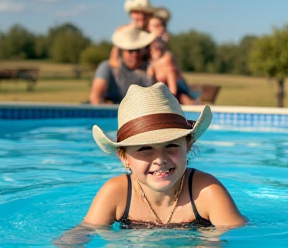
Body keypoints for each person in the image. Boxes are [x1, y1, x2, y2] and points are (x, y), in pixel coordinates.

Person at [85, 82, 246, 228]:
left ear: (188, 146)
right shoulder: (117, 193)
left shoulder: (207, 192)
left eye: (171, 145)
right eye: (145, 148)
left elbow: (241, 239)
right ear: (124, 158)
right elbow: (77, 237)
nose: (160, 159)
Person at [147, 8, 202, 105]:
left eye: (162, 26)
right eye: (156, 26)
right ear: (147, 28)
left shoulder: (166, 58)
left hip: (173, 98)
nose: (160, 29)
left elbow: (173, 91)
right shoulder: (144, 54)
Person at [89, 26, 155, 104]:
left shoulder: (151, 69)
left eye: (138, 50)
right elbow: (95, 98)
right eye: (131, 50)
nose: (135, 54)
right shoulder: (107, 68)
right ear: (122, 50)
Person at [109, 0, 156, 67]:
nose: (138, 17)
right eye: (135, 12)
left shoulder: (155, 34)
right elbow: (113, 61)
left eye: (142, 13)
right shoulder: (124, 32)